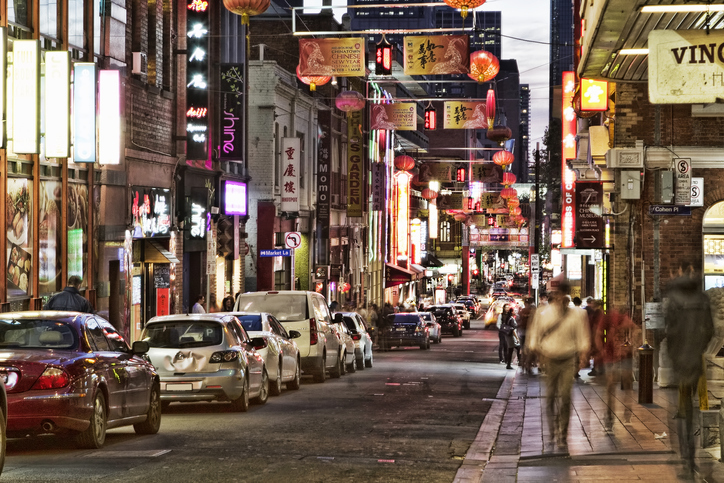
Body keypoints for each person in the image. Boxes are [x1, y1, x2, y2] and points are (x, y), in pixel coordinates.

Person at [527, 281, 590, 451]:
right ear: (555, 295)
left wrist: (583, 355)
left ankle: (563, 433)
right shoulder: (544, 313)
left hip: (568, 358)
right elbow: (535, 335)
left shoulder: (577, 315)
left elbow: (582, 337)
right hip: (550, 358)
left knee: (565, 396)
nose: (561, 298)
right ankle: (552, 431)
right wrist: (538, 353)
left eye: (564, 295)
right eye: (559, 294)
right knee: (549, 398)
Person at [665, 263, 714, 478]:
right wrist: (699, 349)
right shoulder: (702, 299)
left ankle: (686, 458)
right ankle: (690, 457)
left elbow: (669, 332)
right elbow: (710, 331)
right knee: (690, 408)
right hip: (695, 360)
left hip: (680, 362)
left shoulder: (674, 299)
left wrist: (674, 356)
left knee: (683, 411)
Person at [595, 308, 636, 432]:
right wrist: (602, 350)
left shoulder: (622, 317)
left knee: (615, 385)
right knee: (614, 385)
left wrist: (602, 350)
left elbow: (634, 329)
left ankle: (621, 412)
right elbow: (598, 335)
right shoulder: (608, 318)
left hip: (619, 355)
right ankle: (612, 416)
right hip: (613, 356)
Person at [518, 297, 537, 374]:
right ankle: (528, 365)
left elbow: (518, 320)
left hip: (522, 331)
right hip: (530, 332)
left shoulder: (522, 311)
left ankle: (523, 364)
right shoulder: (533, 311)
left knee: (523, 349)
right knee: (530, 349)